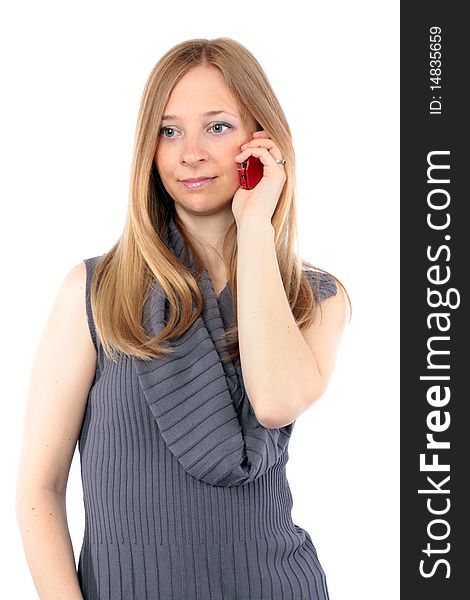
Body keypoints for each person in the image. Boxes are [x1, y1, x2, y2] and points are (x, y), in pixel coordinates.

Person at [16, 37, 351, 600]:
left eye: (217, 127)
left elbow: (272, 401)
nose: (189, 153)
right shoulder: (95, 292)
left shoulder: (316, 298)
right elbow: (38, 490)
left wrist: (255, 229)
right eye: (168, 131)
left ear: (262, 141)